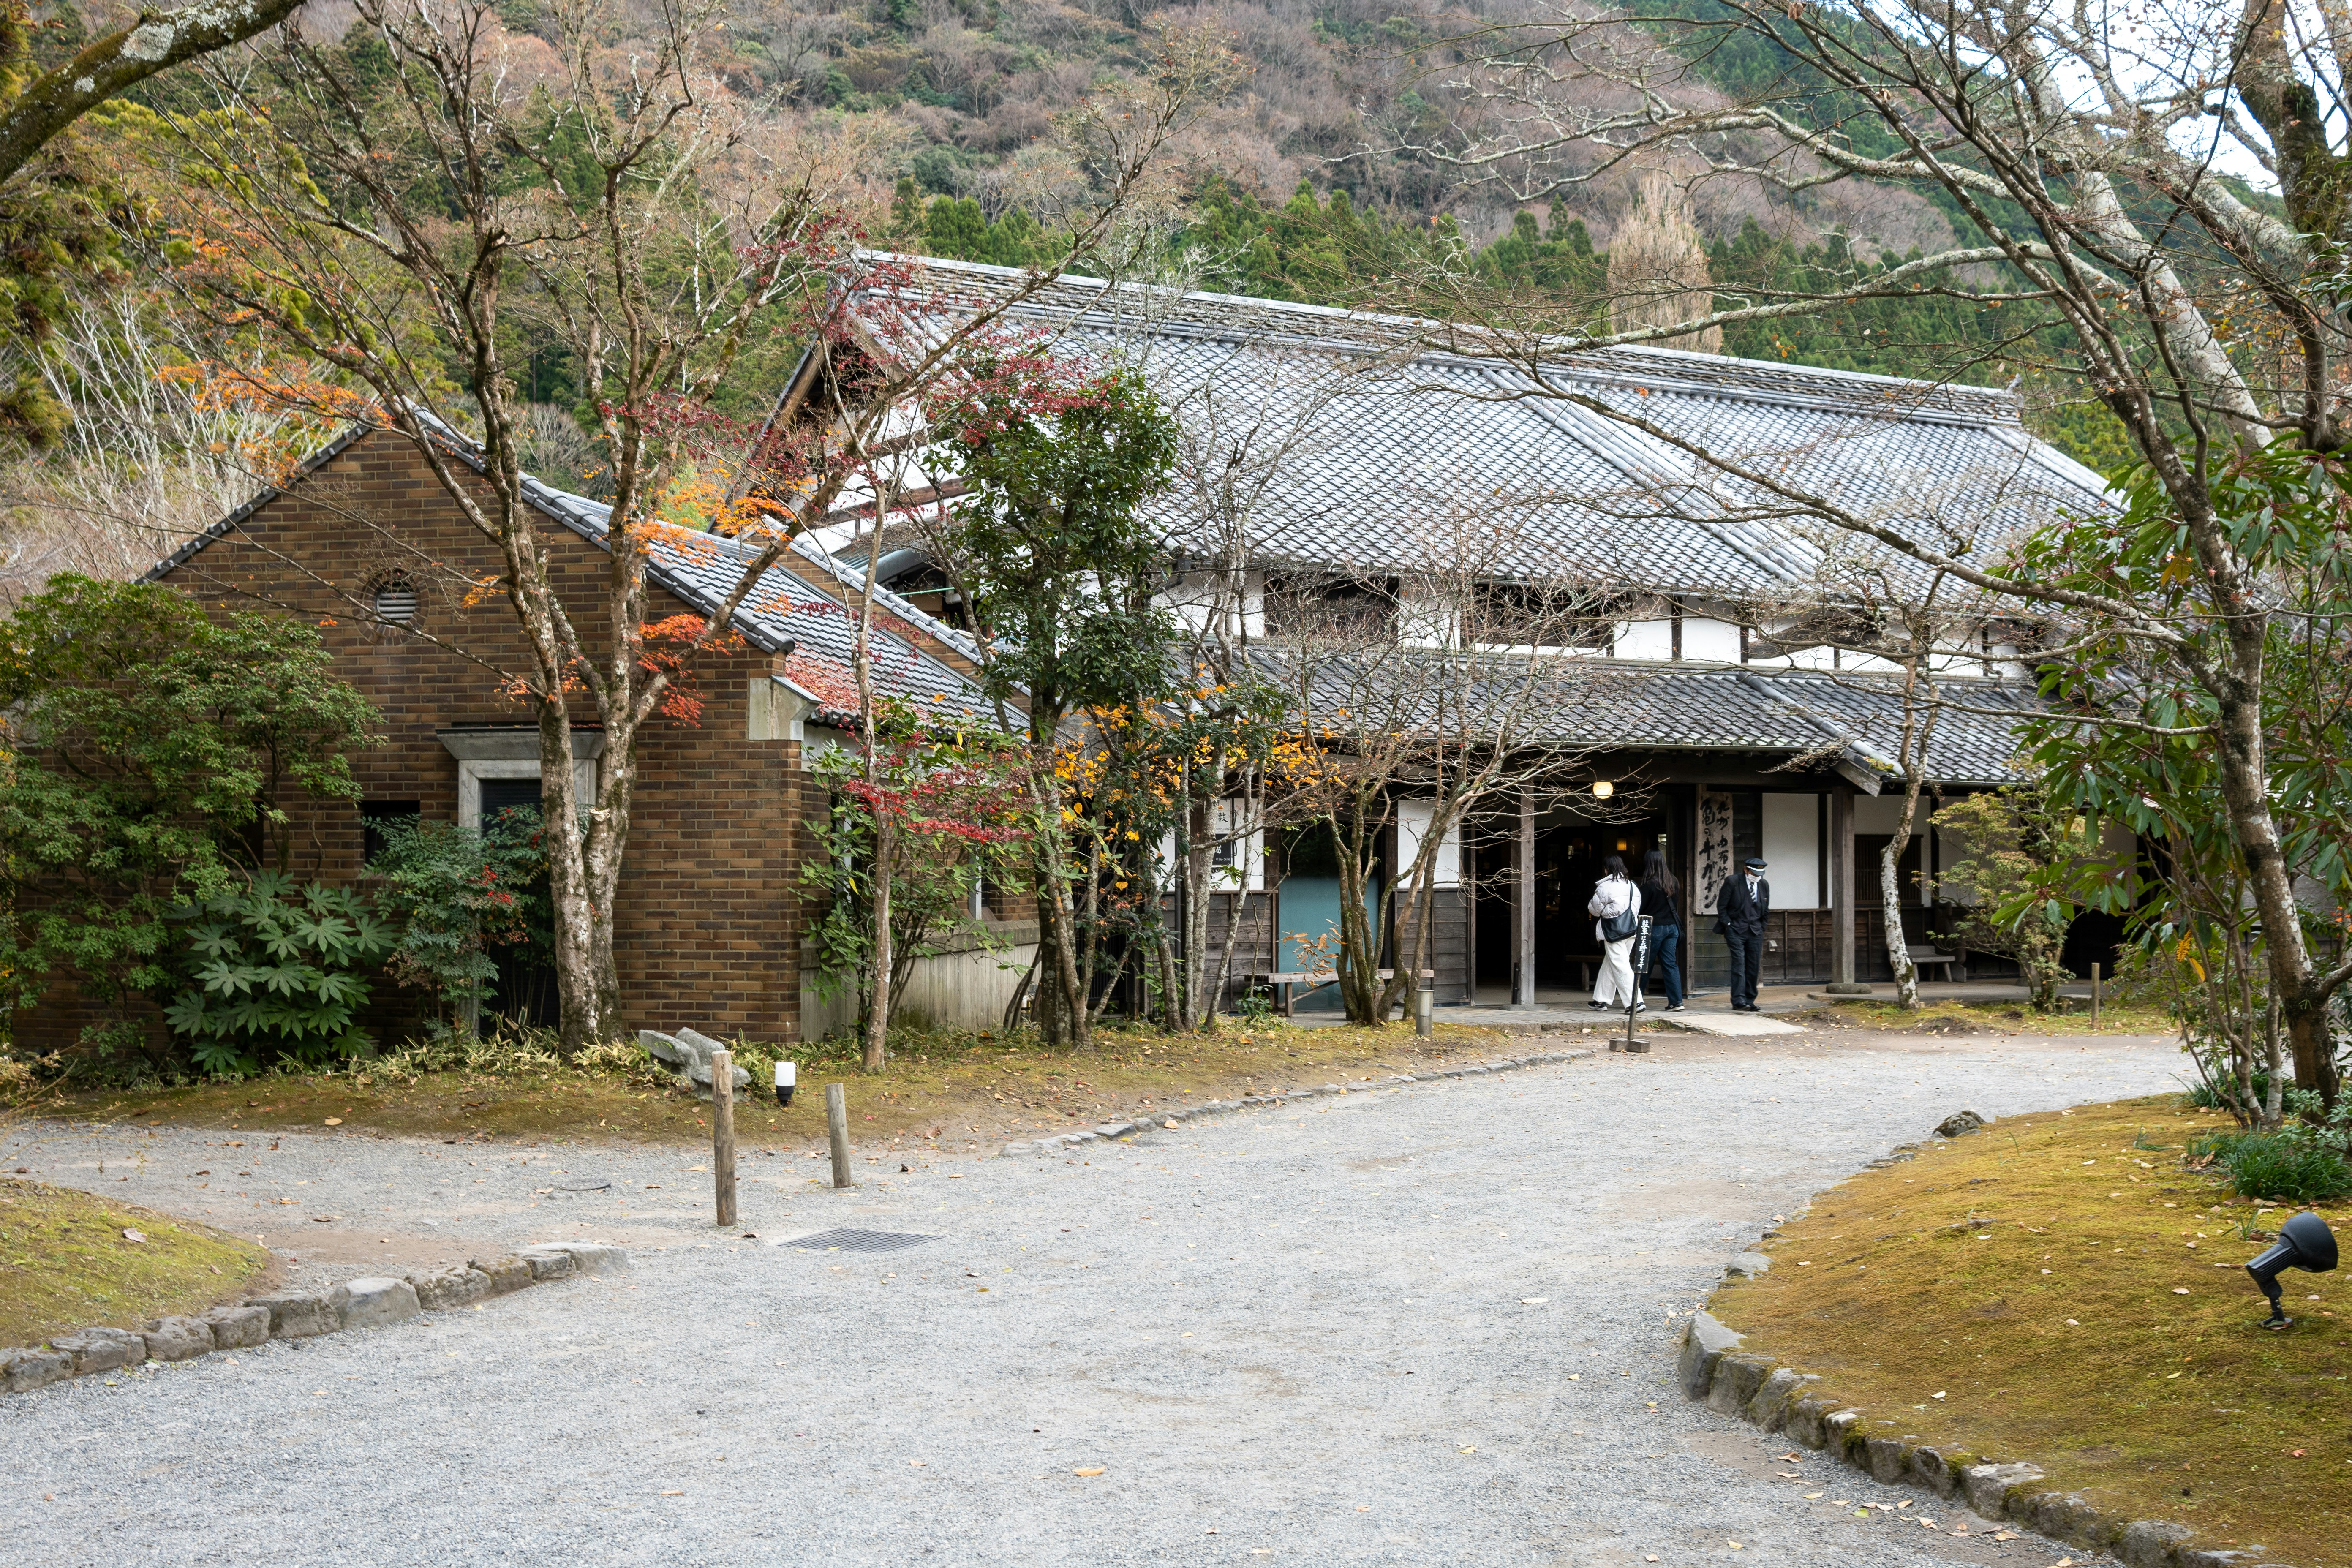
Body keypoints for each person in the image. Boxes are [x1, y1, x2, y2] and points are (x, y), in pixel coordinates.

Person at [1587, 853, 1644, 1012]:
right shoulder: (1633, 886)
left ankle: (1635, 1002)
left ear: (1607, 869)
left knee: (1621, 965)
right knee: (1612, 963)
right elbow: (1636, 908)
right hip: (1631, 929)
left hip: (1614, 931)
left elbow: (1594, 911)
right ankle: (1600, 1000)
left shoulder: (1605, 887)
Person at [1714, 853, 1771, 1012]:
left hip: (1755, 931)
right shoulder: (1733, 882)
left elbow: (1765, 909)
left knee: (1753, 966)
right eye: (1754, 873)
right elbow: (1722, 907)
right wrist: (1729, 925)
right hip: (1736, 930)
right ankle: (1739, 1000)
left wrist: (1762, 927)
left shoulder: (1764, 885)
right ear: (1746, 870)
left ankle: (1750, 999)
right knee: (1739, 964)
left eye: (1759, 874)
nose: (1757, 877)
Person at [1635, 847, 1685, 1012]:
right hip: (1672, 928)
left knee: (1644, 965)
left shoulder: (1648, 885)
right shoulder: (1674, 881)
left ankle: (1636, 1001)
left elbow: (1640, 909)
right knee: (1670, 964)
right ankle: (1677, 1002)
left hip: (1653, 928)